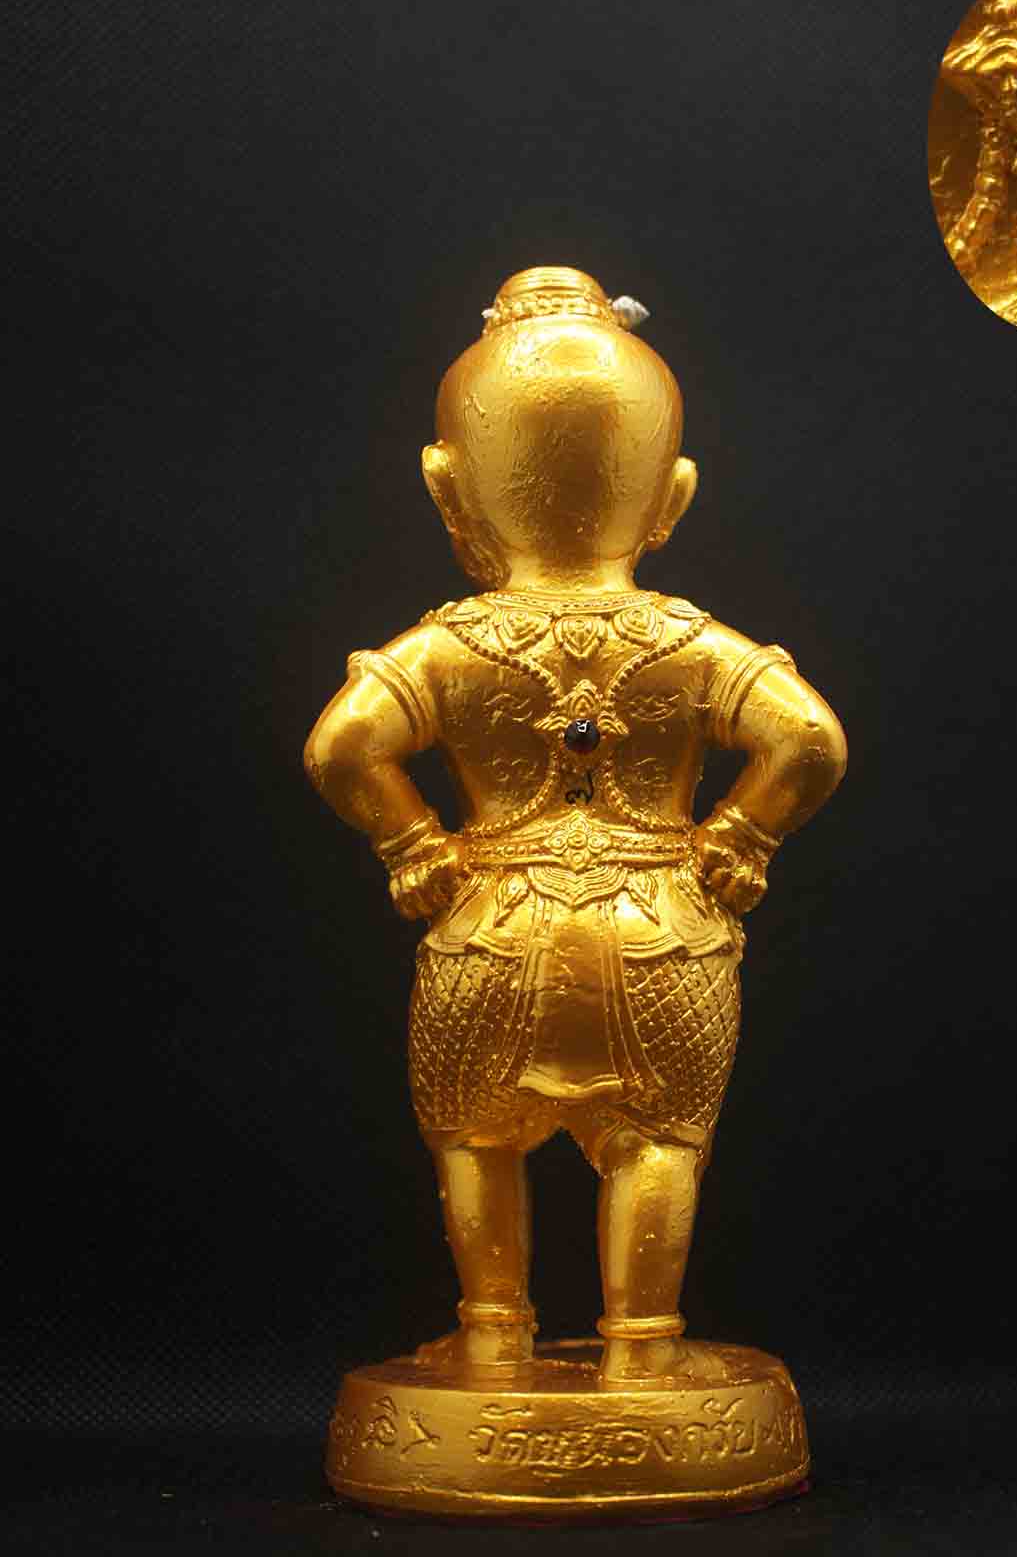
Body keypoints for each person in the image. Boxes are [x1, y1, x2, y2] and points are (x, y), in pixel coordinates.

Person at [304, 266, 847, 1385]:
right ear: (672, 496)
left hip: (487, 929)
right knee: (657, 1144)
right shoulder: (694, 644)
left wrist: (414, 848)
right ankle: (642, 1349)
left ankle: (492, 1334)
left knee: (474, 1137)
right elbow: (809, 738)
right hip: (664, 934)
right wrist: (738, 840)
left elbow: (341, 746)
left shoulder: (447, 646)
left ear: (448, 488)